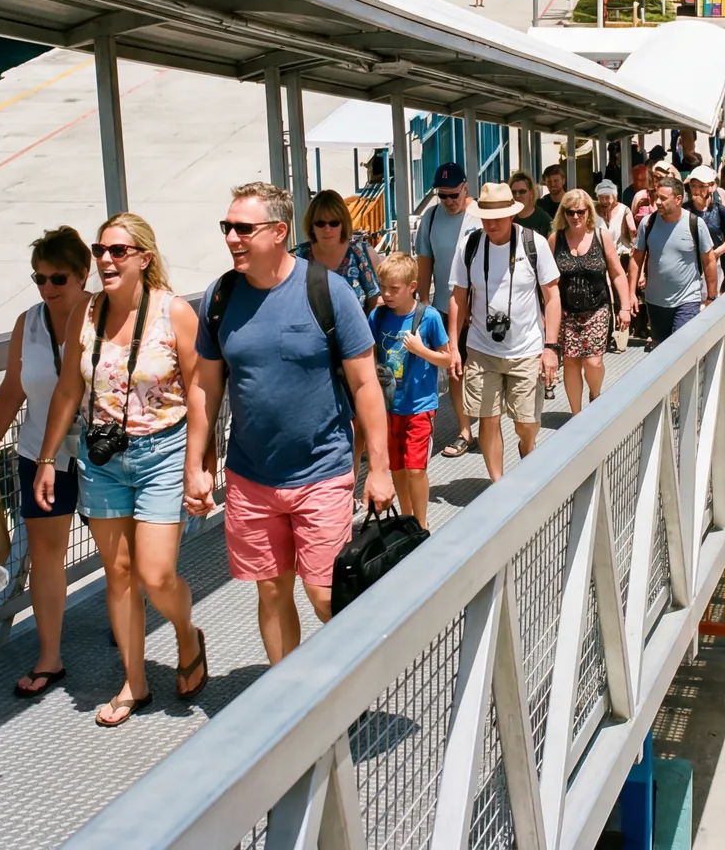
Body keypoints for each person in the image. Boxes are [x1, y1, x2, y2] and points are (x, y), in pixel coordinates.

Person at [186, 183, 392, 667]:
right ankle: (290, 703)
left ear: (279, 232)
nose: (232, 238)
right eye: (227, 228)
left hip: (322, 470)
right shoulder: (221, 296)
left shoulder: (327, 291)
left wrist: (379, 468)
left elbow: (365, 386)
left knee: (324, 593)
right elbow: (205, 387)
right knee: (271, 592)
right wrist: (197, 463)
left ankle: (350, 681)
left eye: (243, 228)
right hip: (250, 477)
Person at [37, 212, 206, 726]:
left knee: (156, 575)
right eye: (100, 250)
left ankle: (185, 632)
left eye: (118, 251)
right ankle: (135, 682)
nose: (106, 260)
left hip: (161, 453)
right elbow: (70, 388)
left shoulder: (173, 313)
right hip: (102, 458)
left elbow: (199, 391)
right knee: (119, 574)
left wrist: (200, 463)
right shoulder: (83, 315)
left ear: (143, 259)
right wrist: (48, 459)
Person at [0, 225, 89, 698]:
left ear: (84, 275)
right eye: (39, 278)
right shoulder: (30, 322)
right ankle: (49, 656)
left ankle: (130, 632)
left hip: (103, 453)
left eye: (58, 278)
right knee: (45, 557)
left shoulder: (105, 316)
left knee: (121, 553)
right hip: (41, 453)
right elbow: (11, 390)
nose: (47, 288)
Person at [448, 182, 563, 483]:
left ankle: (527, 449)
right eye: (486, 216)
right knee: (488, 417)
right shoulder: (470, 245)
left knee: (527, 424)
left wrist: (551, 347)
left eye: (499, 215)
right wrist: (452, 346)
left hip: (526, 349)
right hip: (482, 349)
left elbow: (552, 296)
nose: (492, 223)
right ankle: (498, 485)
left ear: (512, 215)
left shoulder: (533, 244)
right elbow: (458, 297)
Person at [368, 251, 451, 528]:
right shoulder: (378, 317)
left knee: (416, 469)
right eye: (384, 288)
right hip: (389, 406)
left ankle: (421, 524)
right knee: (397, 469)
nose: (387, 295)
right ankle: (406, 521)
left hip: (420, 406)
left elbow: (447, 357)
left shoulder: (428, 318)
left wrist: (421, 350)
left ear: (411, 287)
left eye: (394, 289)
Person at [415, 162, 483, 458]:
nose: (448, 202)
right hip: (444, 307)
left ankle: (489, 426)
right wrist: (422, 306)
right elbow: (424, 265)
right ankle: (465, 431)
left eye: (453, 195)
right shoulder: (430, 218)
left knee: (483, 371)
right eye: (442, 196)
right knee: (456, 370)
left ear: (466, 188)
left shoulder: (481, 216)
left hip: (482, 310)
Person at [550, 188, 632, 411]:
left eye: (580, 211)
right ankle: (576, 414)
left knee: (593, 362)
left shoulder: (600, 236)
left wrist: (625, 306)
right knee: (570, 362)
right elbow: (548, 282)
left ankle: (595, 396)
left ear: (588, 212)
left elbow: (616, 273)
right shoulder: (555, 239)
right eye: (570, 212)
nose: (575, 217)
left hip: (597, 309)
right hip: (566, 312)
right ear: (563, 213)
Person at [631, 176, 718, 348]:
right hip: (655, 302)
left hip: (687, 300)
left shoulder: (695, 224)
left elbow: (709, 261)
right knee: (661, 350)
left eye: (663, 198)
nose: (657, 202)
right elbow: (636, 259)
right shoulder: (647, 223)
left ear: (678, 199)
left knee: (681, 348)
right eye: (656, 197)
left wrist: (711, 296)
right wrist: (631, 294)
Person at [301, 190, 381, 312]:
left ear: (343, 224)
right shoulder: (298, 258)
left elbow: (376, 304)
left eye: (334, 223)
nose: (327, 230)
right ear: (311, 226)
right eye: (320, 223)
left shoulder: (362, 254)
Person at [687, 164, 725, 287]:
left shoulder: (720, 211)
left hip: (715, 265)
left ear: (711, 187)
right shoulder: (684, 210)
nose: (697, 191)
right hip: (689, 266)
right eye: (693, 186)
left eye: (701, 186)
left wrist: (716, 253)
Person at [592, 177, 634, 265]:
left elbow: (634, 236)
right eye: (601, 197)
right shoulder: (592, 211)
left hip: (620, 259)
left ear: (615, 197)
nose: (604, 201)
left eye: (607, 197)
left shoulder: (624, 210)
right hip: (599, 259)